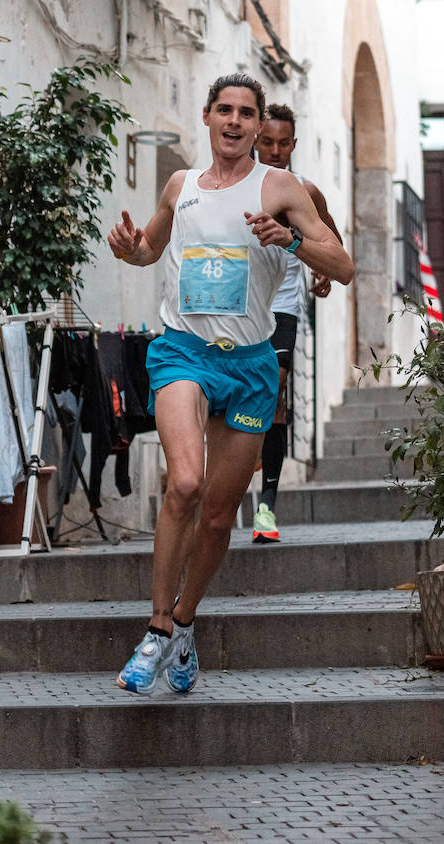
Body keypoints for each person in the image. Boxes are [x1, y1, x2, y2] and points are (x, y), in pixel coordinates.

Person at [106, 74, 354, 694]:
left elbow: (343, 266)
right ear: (209, 117)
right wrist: (132, 248)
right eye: (226, 110)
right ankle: (158, 629)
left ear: (259, 122)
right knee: (184, 482)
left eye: (247, 112)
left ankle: (187, 622)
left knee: (218, 518)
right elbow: (149, 250)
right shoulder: (179, 185)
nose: (236, 122)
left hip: (249, 365)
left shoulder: (283, 188)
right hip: (182, 352)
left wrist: (291, 238)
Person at [249, 103, 342, 543]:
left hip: (282, 308)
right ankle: (240, 471)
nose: (275, 150)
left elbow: (334, 244)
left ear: (294, 144)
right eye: (267, 142)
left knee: (275, 394)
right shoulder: (236, 187)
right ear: (254, 140)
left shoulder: (304, 191)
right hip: (238, 310)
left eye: (283, 143)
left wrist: (320, 269)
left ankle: (266, 505)